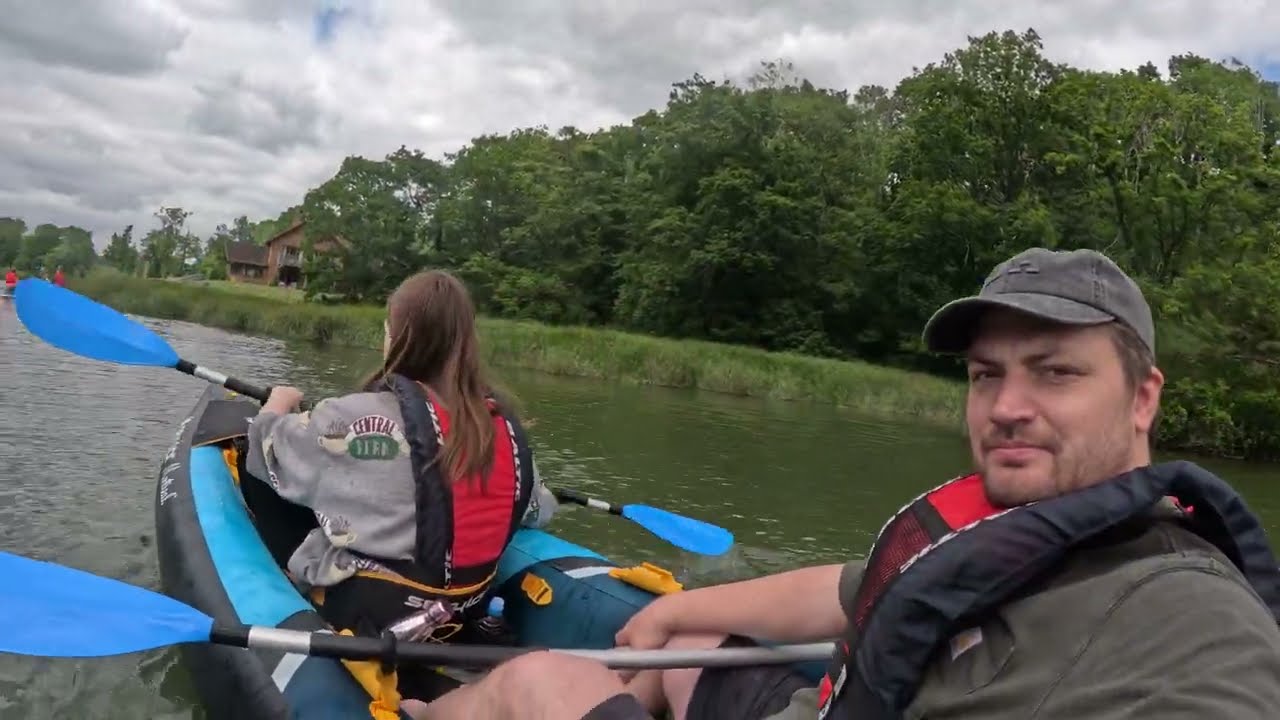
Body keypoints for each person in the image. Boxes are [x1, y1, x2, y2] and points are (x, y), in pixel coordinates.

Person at [403, 247, 1280, 720]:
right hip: (816, 704)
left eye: (1054, 373)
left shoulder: (1193, 622)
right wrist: (673, 611)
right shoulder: (1014, 528)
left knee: (538, 681)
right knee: (687, 649)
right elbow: (847, 590)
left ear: (1143, 398)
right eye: (985, 375)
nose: (1007, 407)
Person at [243, 269, 559, 678]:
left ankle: (286, 575)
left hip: (372, 614)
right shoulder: (503, 429)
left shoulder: (350, 416)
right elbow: (539, 510)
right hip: (461, 613)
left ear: (396, 337)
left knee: (266, 475)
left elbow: (267, 451)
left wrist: (278, 403)